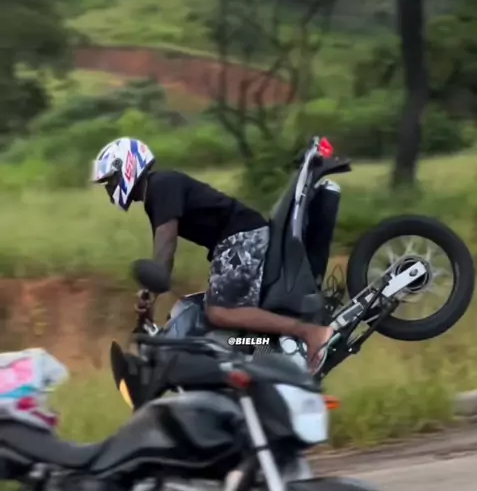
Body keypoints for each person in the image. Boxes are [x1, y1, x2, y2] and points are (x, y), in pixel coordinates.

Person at [90, 137, 334, 371]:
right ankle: (267, 348)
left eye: (111, 181)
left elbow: (165, 247)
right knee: (215, 320)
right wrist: (150, 294)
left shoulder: (160, 186)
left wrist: (154, 286)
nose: (110, 188)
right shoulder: (156, 193)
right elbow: (162, 253)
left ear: (127, 167)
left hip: (240, 237)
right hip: (234, 241)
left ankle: (309, 333)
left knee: (218, 312)